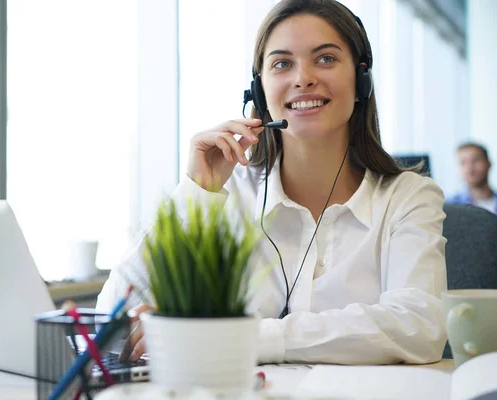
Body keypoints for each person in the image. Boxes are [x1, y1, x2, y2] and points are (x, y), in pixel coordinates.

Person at [97, 0, 447, 365]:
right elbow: (109, 320)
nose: (302, 78)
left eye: (325, 58)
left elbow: (419, 325)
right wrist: (198, 193)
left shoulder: (408, 198)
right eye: (282, 63)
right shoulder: (226, 195)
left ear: (361, 81)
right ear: (260, 90)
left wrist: (237, 338)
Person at [447, 142, 496, 214]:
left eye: (476, 160)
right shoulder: (449, 207)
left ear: (488, 164)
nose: (469, 168)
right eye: (463, 163)